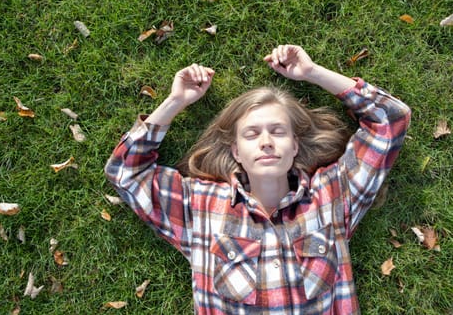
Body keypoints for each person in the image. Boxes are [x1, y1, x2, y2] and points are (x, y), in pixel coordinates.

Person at [105, 44, 411, 314]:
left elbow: (390, 120)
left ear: (294, 146)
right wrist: (175, 101)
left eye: (278, 131)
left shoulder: (332, 195)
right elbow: (126, 172)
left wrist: (313, 72)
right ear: (237, 151)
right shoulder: (199, 206)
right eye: (252, 134)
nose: (266, 141)